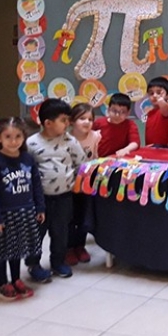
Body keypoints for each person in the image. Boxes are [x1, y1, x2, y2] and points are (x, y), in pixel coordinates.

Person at [0, 117, 43, 300]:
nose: (13, 141)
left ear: (24, 137)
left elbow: (36, 184)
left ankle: (16, 279)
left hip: (25, 213)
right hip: (4, 215)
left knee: (18, 249)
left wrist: (40, 207)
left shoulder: (28, 158)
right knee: (2, 251)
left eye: (18, 136)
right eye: (8, 136)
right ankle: (3, 283)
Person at [25, 99, 85, 281]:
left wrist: (78, 184)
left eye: (68, 120)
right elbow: (26, 171)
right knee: (36, 232)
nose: (68, 124)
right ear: (48, 123)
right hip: (39, 200)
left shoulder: (70, 141)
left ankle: (58, 261)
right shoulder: (31, 143)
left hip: (64, 197)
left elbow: (81, 164)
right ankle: (33, 264)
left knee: (61, 232)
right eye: (63, 120)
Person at [66, 103, 101, 266]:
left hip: (87, 184)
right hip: (69, 185)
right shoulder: (66, 139)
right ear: (72, 121)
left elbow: (97, 157)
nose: (87, 122)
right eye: (82, 119)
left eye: (90, 119)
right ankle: (69, 248)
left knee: (83, 216)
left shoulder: (96, 137)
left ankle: (80, 246)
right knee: (69, 217)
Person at [93, 93, 140, 157]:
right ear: (108, 109)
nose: (117, 115)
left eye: (122, 112)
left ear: (128, 113)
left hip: (119, 158)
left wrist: (126, 150)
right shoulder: (98, 123)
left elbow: (135, 143)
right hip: (99, 158)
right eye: (114, 111)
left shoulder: (130, 124)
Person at [145, 76, 168, 146]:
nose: (155, 95)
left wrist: (160, 99)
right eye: (151, 93)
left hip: (164, 149)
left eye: (159, 92)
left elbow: (164, 108)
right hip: (151, 147)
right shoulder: (150, 113)